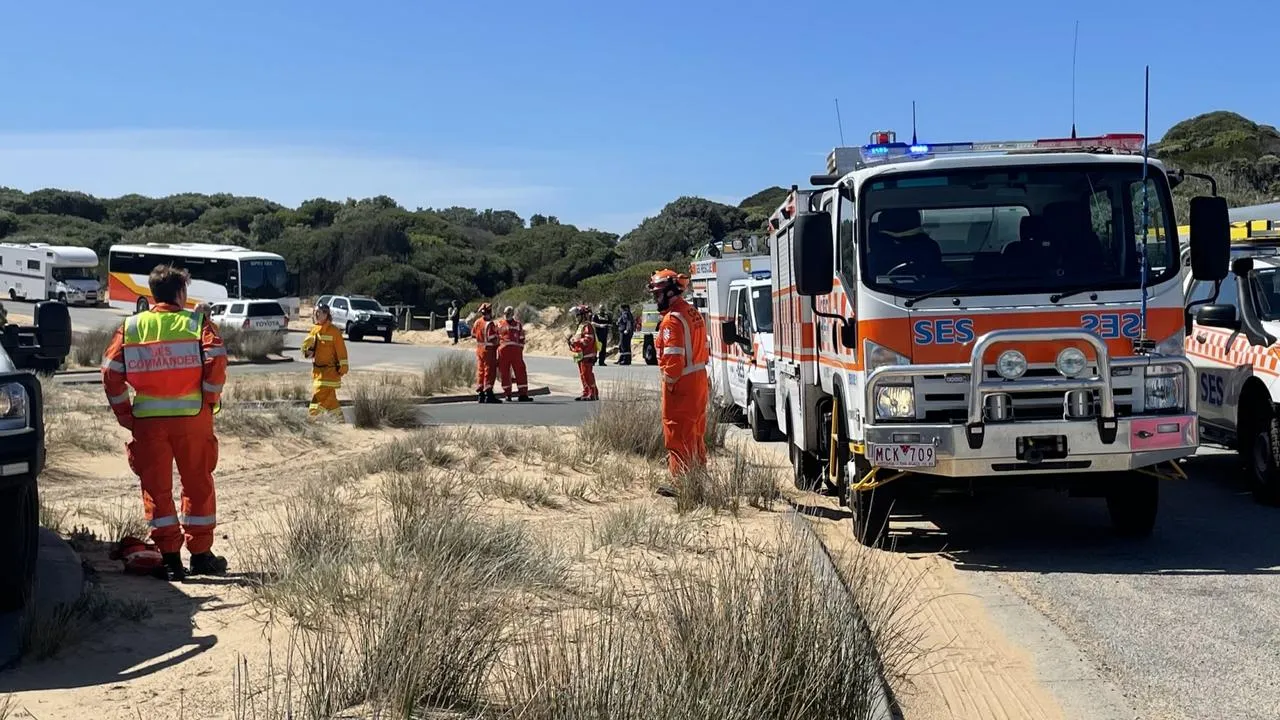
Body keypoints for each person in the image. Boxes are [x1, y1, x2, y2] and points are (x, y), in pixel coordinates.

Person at [100, 264, 229, 581]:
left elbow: (109, 372)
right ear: (181, 293)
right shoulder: (197, 323)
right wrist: (209, 400)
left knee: (157, 490)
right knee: (197, 483)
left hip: (148, 421)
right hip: (192, 419)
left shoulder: (132, 327)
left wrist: (125, 414)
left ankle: (171, 560)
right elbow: (217, 358)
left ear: (152, 294)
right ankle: (200, 556)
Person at [648, 269, 709, 488]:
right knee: (695, 432)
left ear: (670, 292)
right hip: (698, 380)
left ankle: (681, 483)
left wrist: (669, 383)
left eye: (658, 294)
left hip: (682, 385)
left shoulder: (672, 321)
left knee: (677, 432)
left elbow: (673, 360)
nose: (656, 299)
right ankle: (697, 477)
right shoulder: (691, 312)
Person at [301, 304, 348, 420]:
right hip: (318, 373)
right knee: (330, 401)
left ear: (327, 315)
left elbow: (341, 351)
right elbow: (306, 351)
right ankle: (340, 420)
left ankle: (313, 417)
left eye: (320, 312)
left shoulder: (334, 332)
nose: (317, 315)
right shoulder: (314, 330)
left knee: (317, 398)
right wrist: (307, 349)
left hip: (330, 374)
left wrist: (343, 367)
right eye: (316, 312)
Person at [497, 305, 532, 402]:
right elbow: (496, 337)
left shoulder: (518, 324)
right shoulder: (499, 324)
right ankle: (507, 394)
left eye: (509, 313)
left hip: (515, 351)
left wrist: (520, 350)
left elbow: (521, 338)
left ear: (512, 314)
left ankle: (523, 394)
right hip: (504, 351)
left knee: (520, 371)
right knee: (505, 372)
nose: (507, 315)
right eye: (506, 313)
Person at [472, 302, 502, 403]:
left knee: (481, 370)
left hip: (479, 349)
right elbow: (492, 338)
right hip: (488, 350)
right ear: (490, 311)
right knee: (489, 371)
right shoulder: (490, 324)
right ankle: (488, 394)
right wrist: (498, 339)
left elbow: (473, 334)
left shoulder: (477, 322)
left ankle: (480, 394)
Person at [567, 304, 598, 401]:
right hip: (580, 354)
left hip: (587, 354)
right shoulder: (580, 326)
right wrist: (571, 342)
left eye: (578, 315)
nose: (576, 317)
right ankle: (586, 392)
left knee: (587, 374)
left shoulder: (587, 326)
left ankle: (592, 393)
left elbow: (588, 339)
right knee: (582, 375)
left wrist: (575, 341)